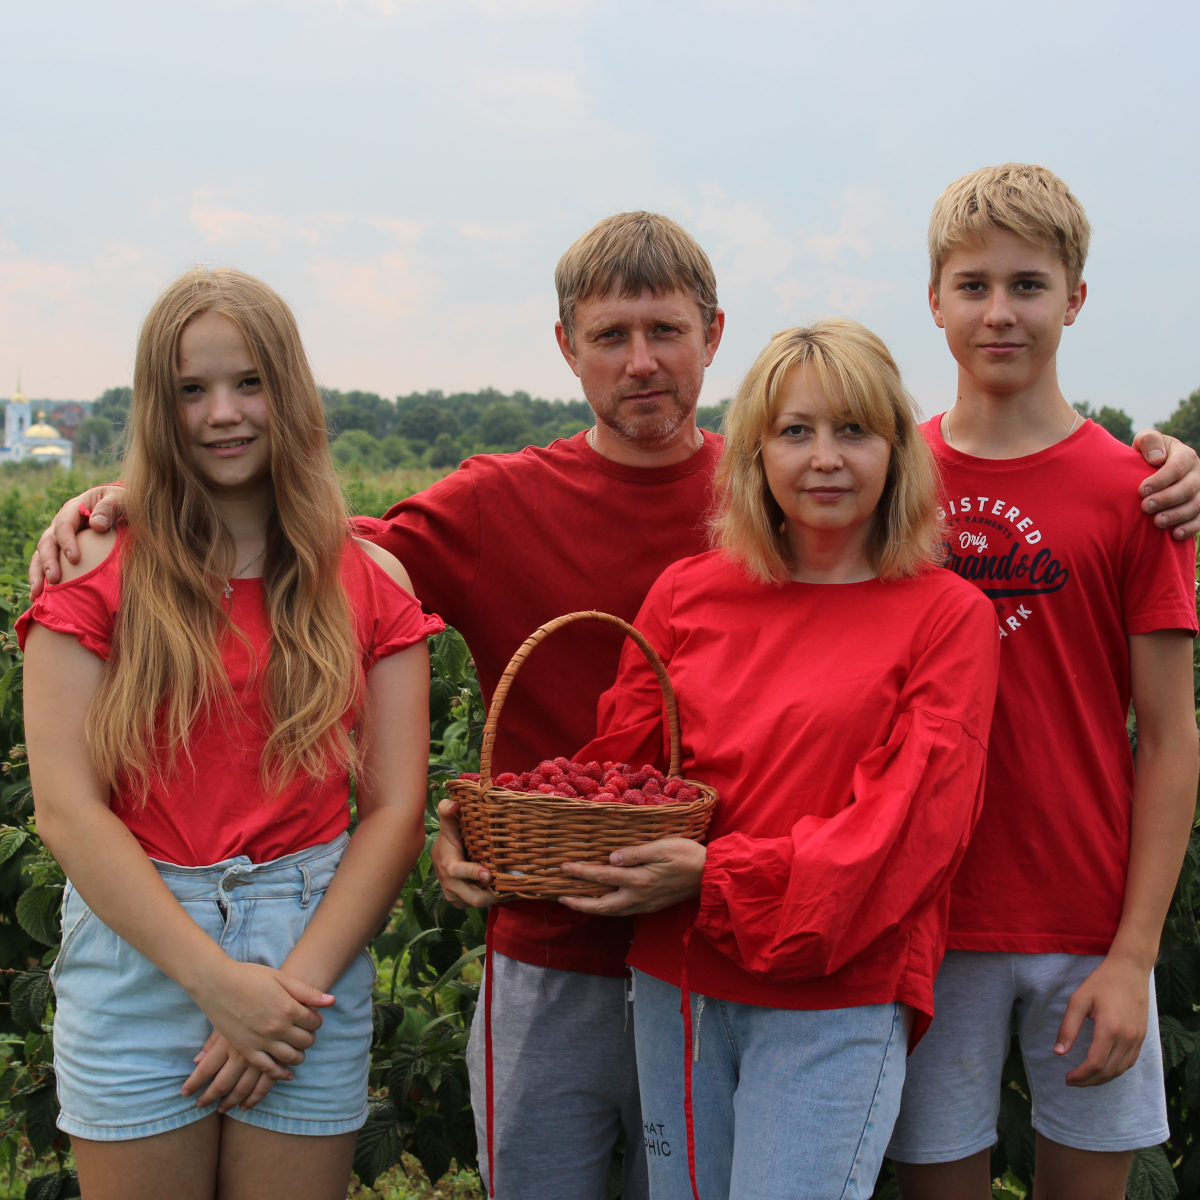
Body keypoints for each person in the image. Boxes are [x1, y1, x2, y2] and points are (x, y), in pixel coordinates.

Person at [26, 212, 1200, 1200]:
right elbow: (308, 555)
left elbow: (977, 482)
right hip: (563, 938)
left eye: (666, 332)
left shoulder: (829, 514)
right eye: (611, 336)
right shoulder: (518, 509)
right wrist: (130, 500)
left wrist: (1163, 468)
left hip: (768, 946)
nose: (642, 362)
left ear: (712, 338)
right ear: (567, 348)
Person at [555, 319, 999, 1200]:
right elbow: (621, 780)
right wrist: (495, 826)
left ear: (897, 451)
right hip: (679, 981)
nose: (825, 458)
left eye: (854, 430)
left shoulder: (948, 617)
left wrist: (715, 877)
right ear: (756, 454)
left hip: (838, 994)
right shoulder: (687, 593)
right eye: (796, 431)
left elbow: (908, 827)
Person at [20, 268, 436, 1200]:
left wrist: (284, 996)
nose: (222, 414)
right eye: (190, 390)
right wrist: (216, 983)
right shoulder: (93, 567)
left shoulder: (371, 582)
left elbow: (394, 812)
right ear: (155, 405)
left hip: (309, 949)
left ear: (290, 391)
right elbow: (68, 809)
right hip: (140, 949)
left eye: (249, 383)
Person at [886, 164, 1200, 1200]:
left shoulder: (1137, 493)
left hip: (1088, 923)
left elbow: (1170, 735)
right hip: (925, 918)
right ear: (934, 300)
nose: (999, 312)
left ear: (1075, 298)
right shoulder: (889, 482)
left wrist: (1135, 955)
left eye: (1028, 284)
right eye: (973, 285)